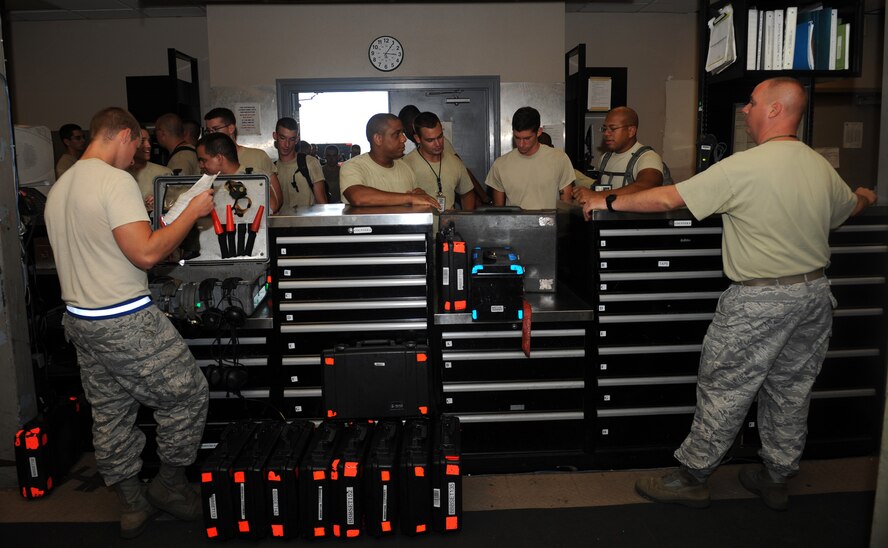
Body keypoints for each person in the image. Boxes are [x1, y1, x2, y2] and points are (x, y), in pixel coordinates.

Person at [581, 77, 877, 511]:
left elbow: (668, 199)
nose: (745, 110)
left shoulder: (746, 165)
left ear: (775, 110)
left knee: (724, 386)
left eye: (753, 102)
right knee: (791, 390)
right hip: (814, 296)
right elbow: (848, 208)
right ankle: (776, 476)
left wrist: (604, 203)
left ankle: (693, 477)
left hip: (760, 300)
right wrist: (866, 196)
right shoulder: (818, 165)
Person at [44, 107, 215, 538]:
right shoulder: (114, 180)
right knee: (189, 395)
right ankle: (169, 488)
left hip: (81, 319)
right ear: (121, 134)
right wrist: (192, 211)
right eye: (138, 143)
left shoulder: (62, 185)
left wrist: (145, 218)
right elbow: (147, 255)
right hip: (124, 318)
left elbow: (104, 243)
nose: (139, 153)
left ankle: (131, 504)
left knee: (111, 414)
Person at [339, 113, 438, 207]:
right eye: (397, 134)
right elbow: (358, 197)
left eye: (402, 133)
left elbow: (416, 195)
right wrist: (410, 198)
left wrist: (420, 194)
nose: (404, 139)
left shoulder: (404, 167)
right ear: (378, 139)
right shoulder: (353, 166)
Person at [485, 106, 574, 209]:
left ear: (539, 132)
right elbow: (498, 211)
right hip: (515, 224)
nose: (521, 144)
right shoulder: (500, 165)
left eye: (527, 138)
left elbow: (566, 207)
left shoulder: (559, 159)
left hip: (550, 224)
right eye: (517, 138)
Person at [573, 106, 664, 205]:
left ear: (631, 131)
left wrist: (598, 195)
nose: (606, 133)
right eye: (604, 128)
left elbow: (646, 186)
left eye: (612, 128)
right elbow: (599, 188)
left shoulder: (648, 157)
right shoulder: (605, 158)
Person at [203, 107, 283, 213]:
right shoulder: (206, 163)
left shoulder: (258, 156)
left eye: (216, 129)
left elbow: (276, 202)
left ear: (231, 128)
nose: (211, 134)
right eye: (208, 131)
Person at [402, 111, 476, 211]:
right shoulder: (406, 164)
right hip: (420, 226)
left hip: (449, 225)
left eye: (440, 137)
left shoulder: (455, 162)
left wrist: (464, 221)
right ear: (417, 138)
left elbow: (467, 194)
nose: (438, 144)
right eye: (430, 140)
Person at [273, 117, 327, 211]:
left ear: (297, 140)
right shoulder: (272, 168)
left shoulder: (310, 163)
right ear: (275, 136)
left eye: (292, 139)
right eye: (282, 138)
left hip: (308, 224)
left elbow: (322, 203)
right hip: (280, 224)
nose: (287, 144)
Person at [128, 127, 172, 213]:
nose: (148, 145)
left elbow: (175, 203)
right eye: (142, 141)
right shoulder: (118, 172)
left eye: (149, 140)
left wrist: (160, 204)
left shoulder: (163, 173)